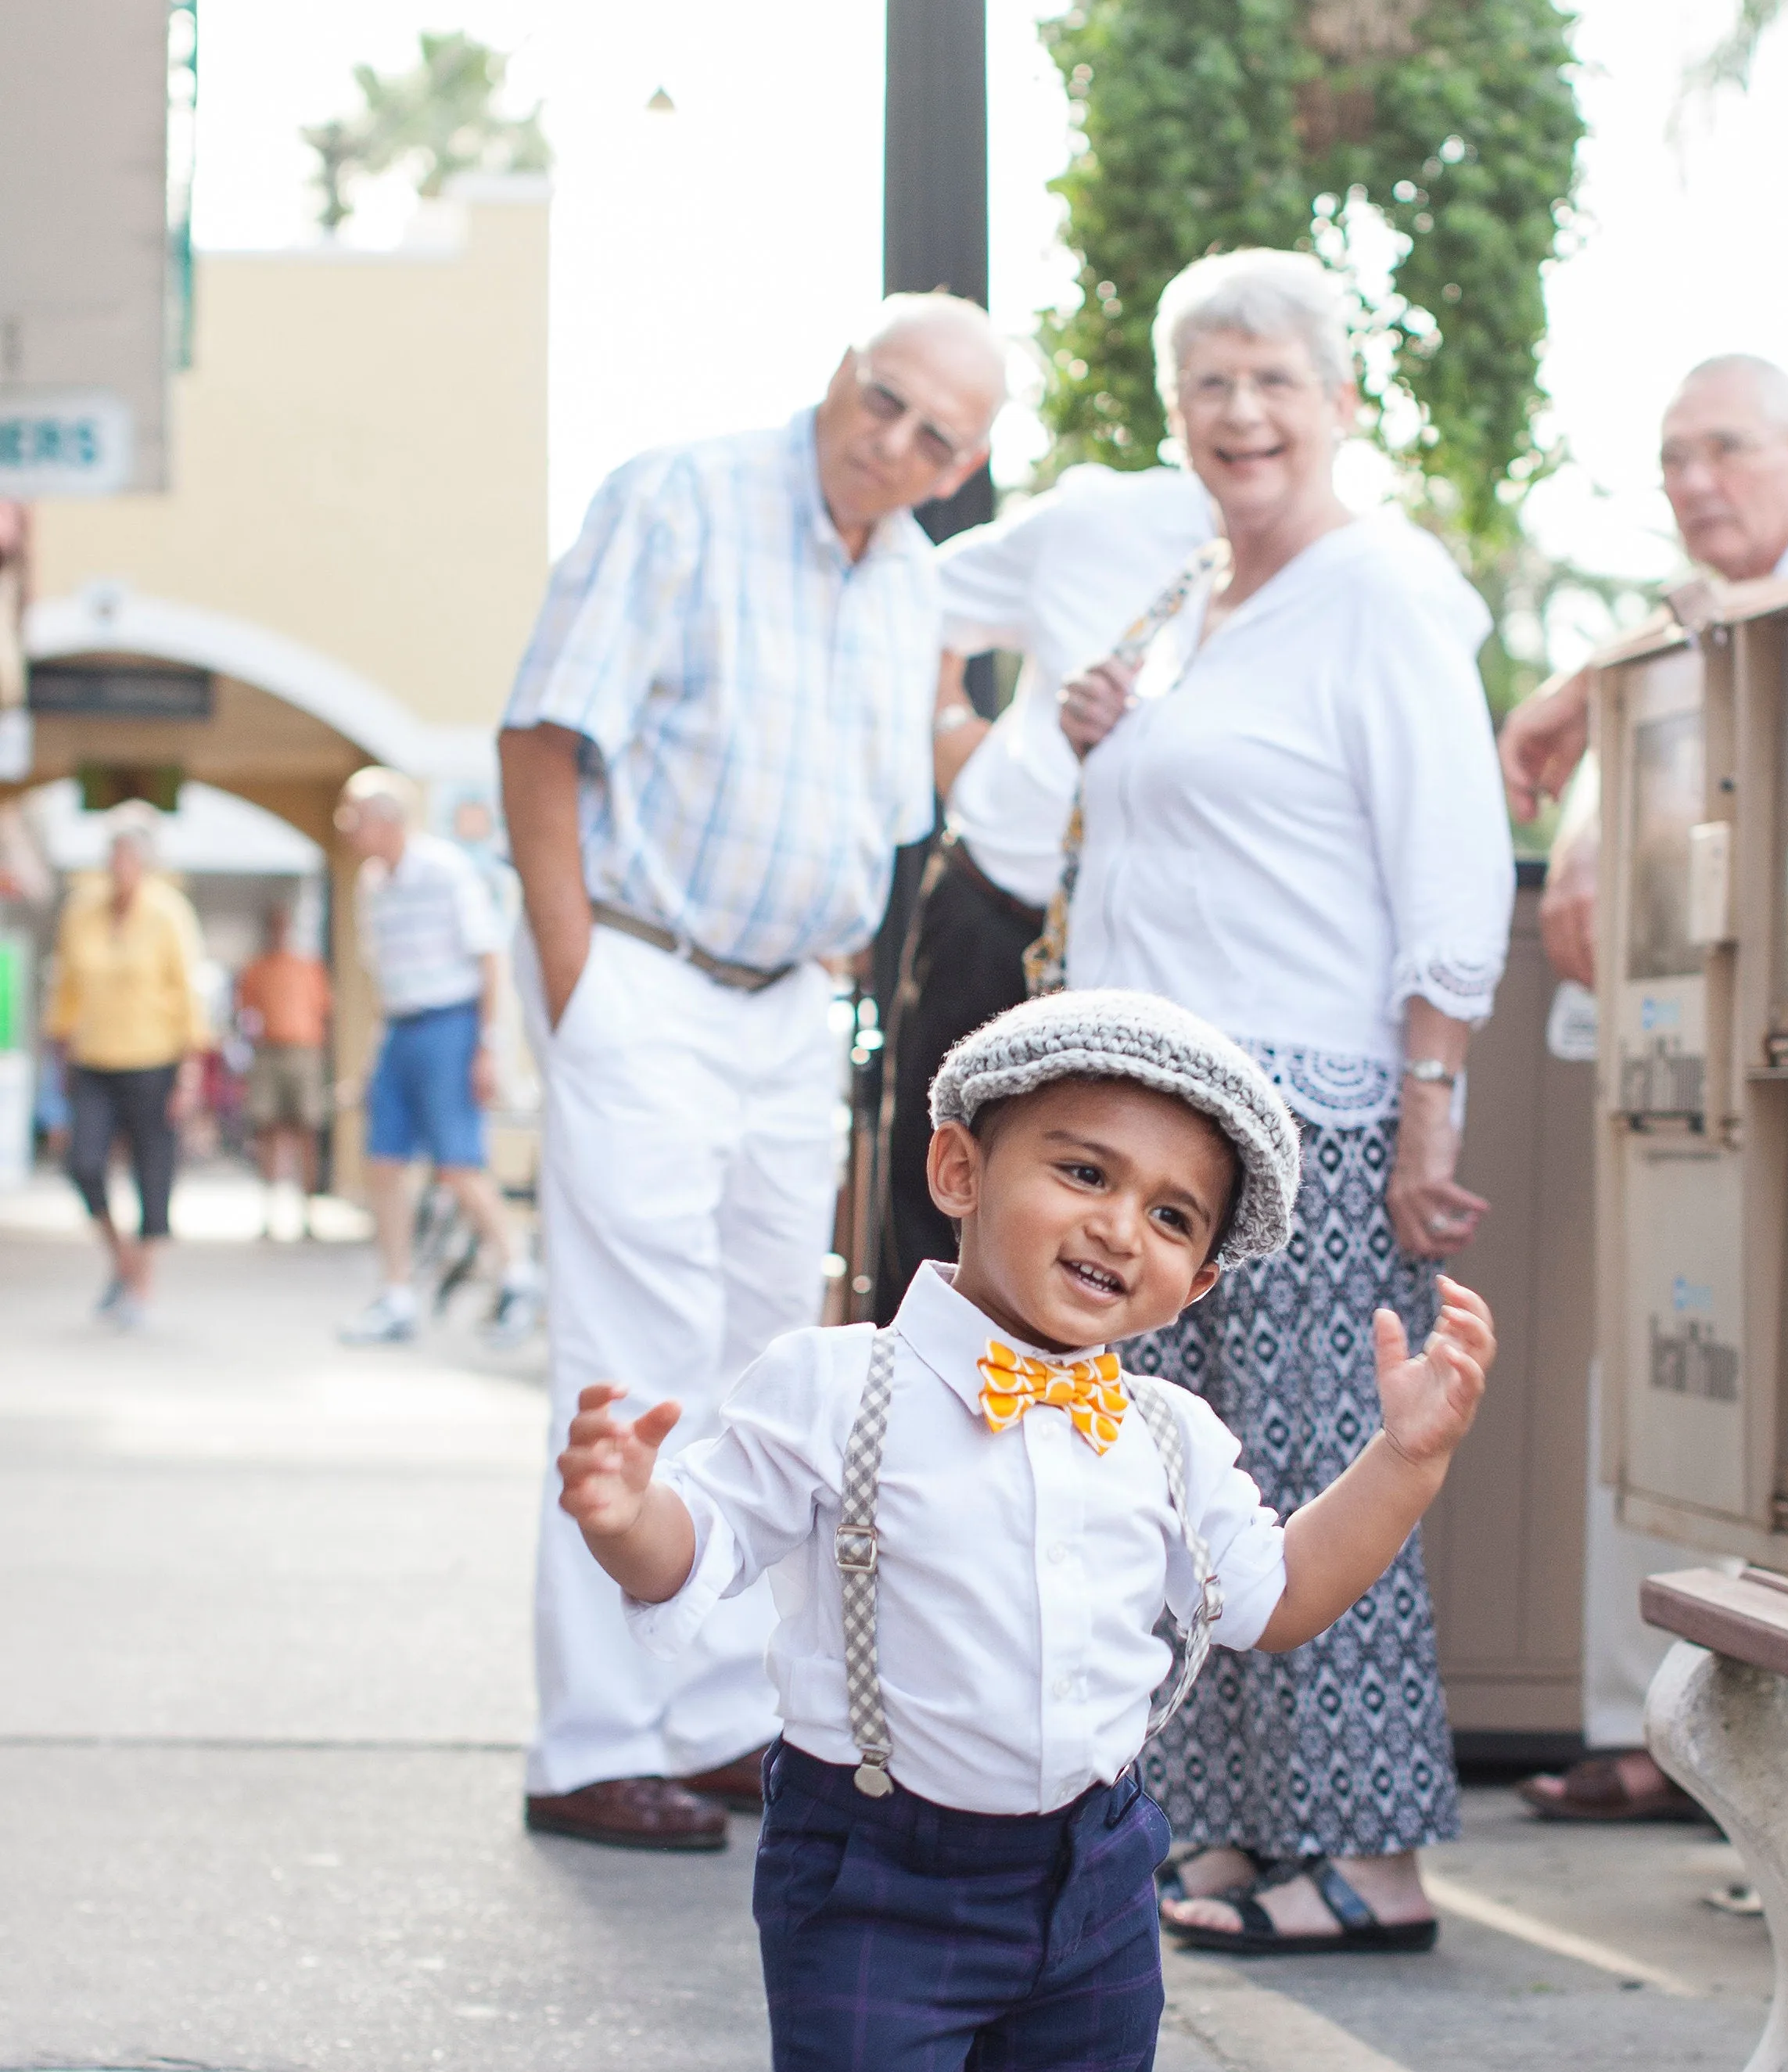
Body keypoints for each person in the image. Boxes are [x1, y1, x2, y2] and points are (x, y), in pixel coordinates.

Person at [555, 989, 1496, 2072]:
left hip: (1088, 1872)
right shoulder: (829, 1382)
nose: (1118, 1225)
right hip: (872, 1857)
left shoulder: (1172, 1437)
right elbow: (695, 1549)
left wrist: (1399, 1463)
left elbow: (1274, 1599)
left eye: (1170, 1214)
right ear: (954, 1167)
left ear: (1198, 1273)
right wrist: (627, 1512)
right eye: (1080, 1170)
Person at [499, 293, 1007, 1857]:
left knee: (757, 1363)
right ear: (840, 372)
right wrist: (580, 975)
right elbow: (540, 734)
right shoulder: (681, 496)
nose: (894, 440)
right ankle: (592, 1738)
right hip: (644, 971)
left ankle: (713, 1714)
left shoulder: (911, 577)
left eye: (937, 434)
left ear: (959, 465)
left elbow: (891, 792)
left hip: (787, 1008)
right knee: (629, 1350)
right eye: (883, 397)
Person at [1054, 250, 1514, 1950]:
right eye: (1206, 385)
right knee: (1191, 1483)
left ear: (1333, 402)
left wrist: (1428, 1109)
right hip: (1162, 1124)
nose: (1237, 413)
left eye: (1268, 380)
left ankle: (1372, 1854)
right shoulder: (1192, 604)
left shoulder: (1377, 588)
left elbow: (1447, 864)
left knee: (1329, 1470)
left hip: (1306, 1112)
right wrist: (1112, 725)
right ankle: (1235, 1825)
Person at [1499, 354, 1788, 1822]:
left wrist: (1573, 688)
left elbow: (1774, 654)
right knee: (1659, 1393)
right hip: (1693, 1091)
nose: (1693, 484)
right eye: (1673, 457)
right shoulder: (1667, 644)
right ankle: (1655, 1732)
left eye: (1726, 450)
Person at [877, 459, 1219, 1301]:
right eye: (1213, 379)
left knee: (1114, 1247)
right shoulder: (1095, 517)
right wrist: (956, 741)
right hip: (1001, 913)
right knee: (939, 1217)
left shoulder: (1331, 577)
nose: (1244, 414)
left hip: (1172, 958)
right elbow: (906, 603)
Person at [334, 767, 537, 1350]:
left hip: (451, 1024)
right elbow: (382, 976)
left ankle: (517, 1273)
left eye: (354, 817)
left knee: (457, 1166)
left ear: (385, 820)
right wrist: (377, 1057)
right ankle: (396, 1294)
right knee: (384, 1163)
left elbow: (488, 957)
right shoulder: (372, 882)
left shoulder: (446, 869)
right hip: (401, 1028)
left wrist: (486, 1048)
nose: (347, 829)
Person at [45, 803, 210, 1330]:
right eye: (112, 853)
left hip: (154, 1059)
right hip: (93, 1058)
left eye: (128, 854)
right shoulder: (80, 909)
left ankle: (142, 1283)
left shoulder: (168, 912)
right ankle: (122, 1261)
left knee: (151, 1174)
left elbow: (188, 992)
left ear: (146, 860)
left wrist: (189, 1072)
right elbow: (66, 987)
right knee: (84, 1165)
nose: (119, 864)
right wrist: (59, 1053)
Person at [235, 900, 332, 1226]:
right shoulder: (256, 969)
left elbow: (326, 1013)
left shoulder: (309, 968)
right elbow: (245, 1015)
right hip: (269, 1053)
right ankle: (269, 1214)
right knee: (268, 1131)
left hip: (304, 1052)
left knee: (307, 1131)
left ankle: (309, 1215)